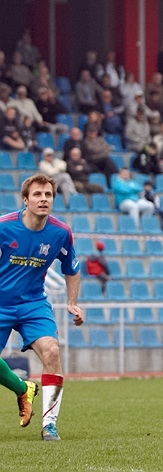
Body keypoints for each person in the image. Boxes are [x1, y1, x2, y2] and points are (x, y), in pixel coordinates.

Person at [0, 174, 84, 440]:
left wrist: (72, 302)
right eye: (37, 194)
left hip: (33, 304)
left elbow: (72, 269)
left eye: (48, 195)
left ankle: (49, 425)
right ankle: (22, 389)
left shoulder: (60, 233)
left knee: (52, 350)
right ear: (25, 200)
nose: (43, 199)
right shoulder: (4, 227)